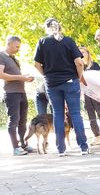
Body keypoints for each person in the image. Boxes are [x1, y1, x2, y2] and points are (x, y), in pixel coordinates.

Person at [33, 18, 90, 156]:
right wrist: (78, 76)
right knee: (75, 114)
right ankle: (83, 147)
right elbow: (79, 63)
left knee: (57, 115)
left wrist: (46, 75)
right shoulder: (68, 41)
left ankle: (61, 149)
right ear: (60, 27)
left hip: (52, 84)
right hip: (71, 81)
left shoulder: (42, 42)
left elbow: (36, 64)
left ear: (46, 28)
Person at [0, 35, 34, 156]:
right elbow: (1, 75)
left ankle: (23, 144)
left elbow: (15, 74)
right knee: (13, 121)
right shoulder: (1, 56)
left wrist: (26, 77)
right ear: (9, 44)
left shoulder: (14, 58)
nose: (18, 49)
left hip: (21, 92)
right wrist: (20, 77)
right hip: (11, 93)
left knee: (23, 121)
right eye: (16, 46)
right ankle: (15, 148)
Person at [79, 46, 100, 144]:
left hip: (97, 93)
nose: (82, 54)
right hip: (87, 94)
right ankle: (96, 136)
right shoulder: (78, 66)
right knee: (91, 115)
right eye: (80, 52)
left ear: (88, 53)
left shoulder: (94, 65)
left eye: (83, 52)